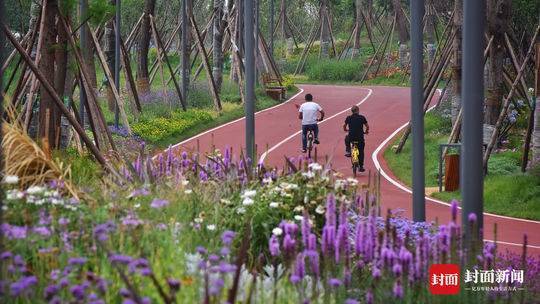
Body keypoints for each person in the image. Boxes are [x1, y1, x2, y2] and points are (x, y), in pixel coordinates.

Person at [343, 105, 369, 172]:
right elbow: (367, 126)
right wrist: (366, 131)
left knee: (346, 139)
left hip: (351, 137)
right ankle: (361, 166)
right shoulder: (362, 117)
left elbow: (344, 125)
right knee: (361, 151)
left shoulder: (348, 118)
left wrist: (345, 129)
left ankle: (348, 150)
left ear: (352, 111)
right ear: (358, 110)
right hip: (360, 137)